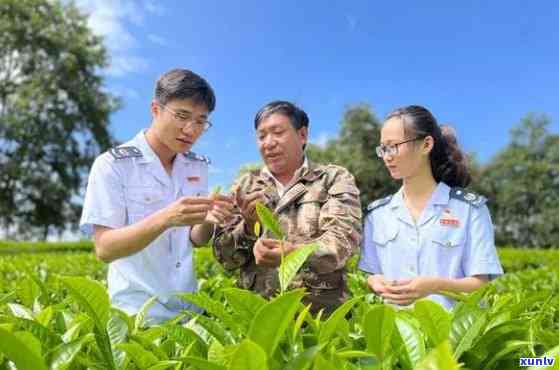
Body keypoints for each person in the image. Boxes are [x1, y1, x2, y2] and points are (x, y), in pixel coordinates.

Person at [80, 69, 234, 323]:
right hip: (138, 315)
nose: (191, 129)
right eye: (182, 116)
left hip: (188, 312)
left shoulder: (197, 166)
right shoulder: (113, 165)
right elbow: (105, 248)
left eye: (201, 121)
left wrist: (209, 218)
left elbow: (195, 240)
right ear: (156, 109)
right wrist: (167, 217)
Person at [213, 100, 362, 316]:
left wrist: (295, 254)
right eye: (261, 136)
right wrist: (248, 227)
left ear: (302, 135)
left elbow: (344, 243)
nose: (269, 143)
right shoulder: (245, 186)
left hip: (320, 317)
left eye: (277, 132)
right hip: (260, 317)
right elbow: (225, 258)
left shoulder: (333, 178)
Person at [358, 105, 503, 309]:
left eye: (394, 146)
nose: (387, 156)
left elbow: (482, 285)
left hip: (454, 335)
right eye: (383, 148)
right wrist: (376, 282)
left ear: (426, 144)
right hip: (397, 334)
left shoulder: (469, 209)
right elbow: (372, 274)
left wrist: (434, 286)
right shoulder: (377, 214)